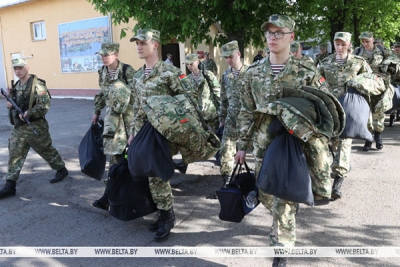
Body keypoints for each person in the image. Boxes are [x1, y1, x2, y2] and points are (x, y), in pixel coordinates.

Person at [234, 15, 332, 267]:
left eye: (279, 33)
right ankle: (281, 232)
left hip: (293, 145)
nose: (273, 37)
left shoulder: (306, 72)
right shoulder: (252, 73)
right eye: (269, 33)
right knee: (268, 194)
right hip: (263, 147)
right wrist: (241, 146)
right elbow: (245, 111)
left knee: (285, 201)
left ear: (292, 37)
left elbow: (324, 108)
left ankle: (281, 251)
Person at [129, 28, 195, 241]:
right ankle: (163, 212)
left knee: (157, 174)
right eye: (136, 43)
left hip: (164, 131)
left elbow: (188, 100)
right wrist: (132, 133)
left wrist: (177, 126)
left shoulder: (170, 73)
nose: (139, 46)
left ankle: (168, 216)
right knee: (149, 173)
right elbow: (138, 108)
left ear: (155, 45)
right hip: (145, 132)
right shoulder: (138, 76)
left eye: (143, 42)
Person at [0, 58, 69, 200]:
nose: (17, 71)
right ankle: (10, 186)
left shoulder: (37, 85)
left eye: (20, 68)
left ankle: (61, 170)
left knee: (47, 151)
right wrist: (10, 105)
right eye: (15, 69)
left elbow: (44, 105)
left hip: (35, 126)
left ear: (27, 67)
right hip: (19, 128)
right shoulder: (17, 85)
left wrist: (29, 113)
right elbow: (15, 102)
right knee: (14, 154)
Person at [318, 32, 372, 200]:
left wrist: (359, 83)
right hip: (329, 109)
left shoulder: (359, 62)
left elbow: (371, 79)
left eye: (343, 44)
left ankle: (338, 183)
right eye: (337, 44)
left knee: (344, 143)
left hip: (349, 109)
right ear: (334, 44)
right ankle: (338, 167)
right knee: (329, 144)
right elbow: (315, 78)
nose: (340, 47)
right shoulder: (325, 62)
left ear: (349, 45)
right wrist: (324, 86)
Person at [91, 42, 136, 211]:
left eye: (106, 54)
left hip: (129, 119)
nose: (103, 58)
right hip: (113, 122)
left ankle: (136, 196)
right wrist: (97, 111)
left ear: (116, 54)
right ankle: (109, 196)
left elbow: (137, 93)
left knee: (133, 157)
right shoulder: (102, 72)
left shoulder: (127, 71)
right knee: (115, 158)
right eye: (101, 55)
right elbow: (102, 93)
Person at [355, 32, 398, 151]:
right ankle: (368, 139)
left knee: (378, 110)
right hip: (364, 86)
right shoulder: (358, 52)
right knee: (366, 113)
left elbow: (394, 58)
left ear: (372, 40)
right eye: (363, 41)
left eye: (367, 41)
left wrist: (388, 63)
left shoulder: (382, 50)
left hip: (380, 85)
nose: (365, 44)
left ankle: (378, 135)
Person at [219, 40, 248, 185]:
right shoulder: (225, 76)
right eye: (226, 57)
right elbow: (223, 99)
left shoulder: (250, 73)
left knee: (260, 152)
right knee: (225, 151)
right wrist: (222, 118)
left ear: (239, 54)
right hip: (231, 119)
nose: (228, 60)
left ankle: (262, 185)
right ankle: (227, 183)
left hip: (249, 121)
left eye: (231, 56)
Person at [185, 53, 220, 131]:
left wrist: (222, 113)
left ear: (197, 62)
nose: (189, 66)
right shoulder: (186, 80)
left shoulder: (208, 75)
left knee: (215, 140)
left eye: (191, 63)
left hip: (211, 116)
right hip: (197, 118)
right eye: (187, 64)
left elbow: (218, 93)